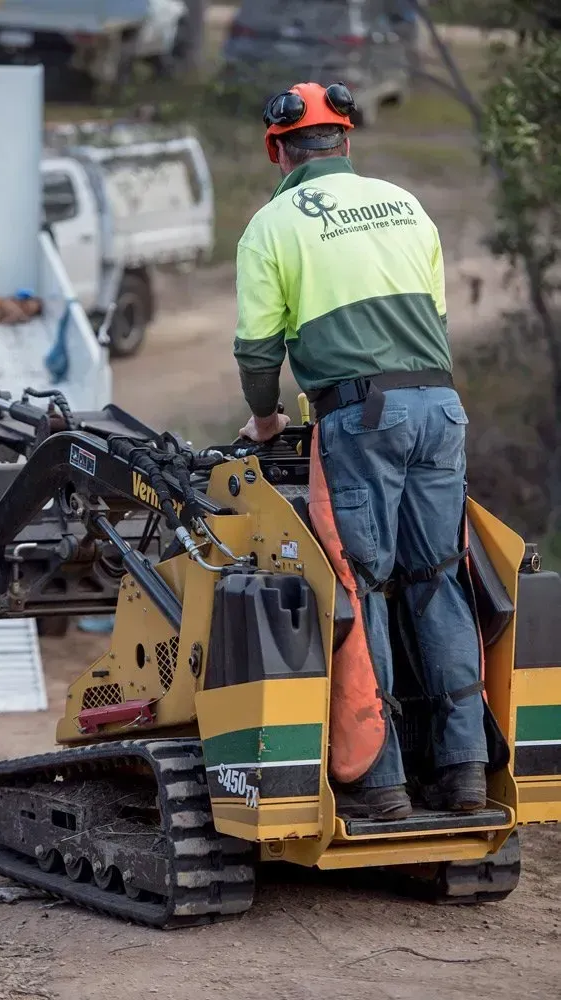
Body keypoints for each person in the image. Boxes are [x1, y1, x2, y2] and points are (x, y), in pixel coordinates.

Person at [233, 81, 489, 821]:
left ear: (277, 148)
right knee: (438, 579)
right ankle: (464, 771)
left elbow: (257, 349)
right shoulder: (406, 205)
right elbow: (433, 318)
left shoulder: (272, 224)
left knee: (361, 585)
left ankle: (380, 781)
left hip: (359, 417)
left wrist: (262, 419)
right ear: (345, 141)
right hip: (440, 409)